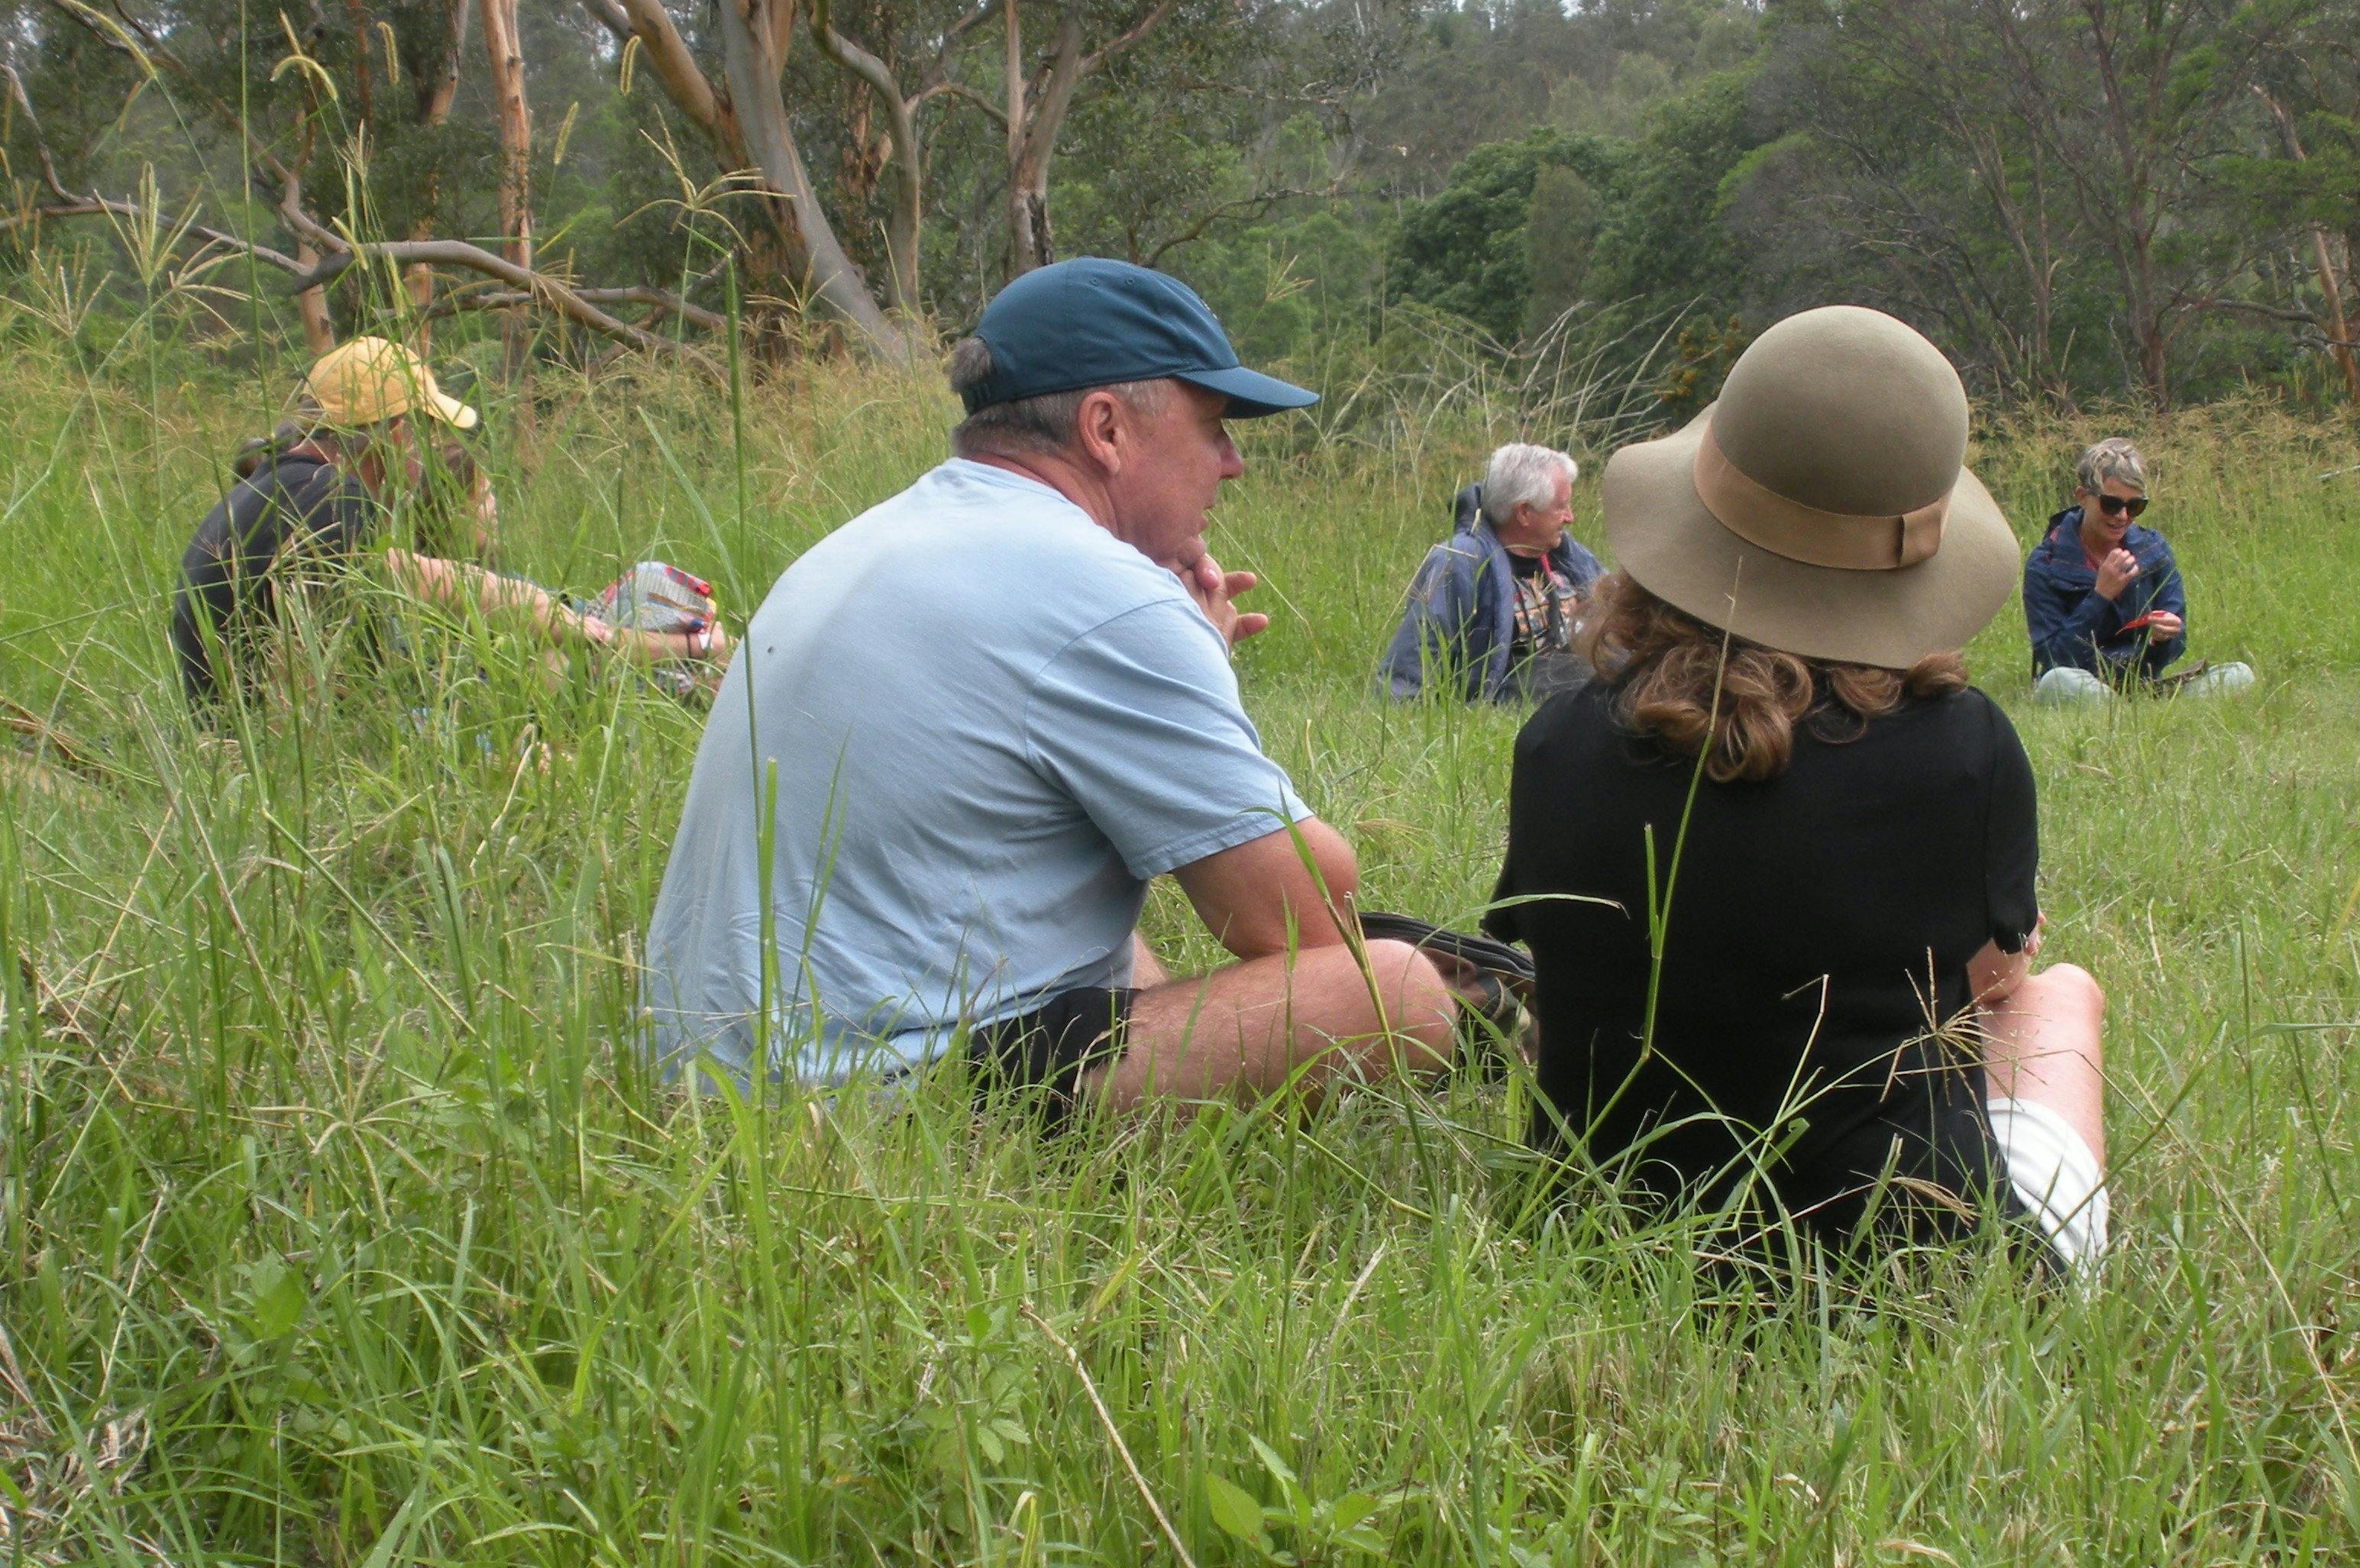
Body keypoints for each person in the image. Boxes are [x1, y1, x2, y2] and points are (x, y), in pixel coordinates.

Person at [642, 257, 1460, 1107]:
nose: (1232, 462)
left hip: (709, 1076)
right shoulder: (1103, 595)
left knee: (1092, 891)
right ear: (1106, 429)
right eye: (1214, 425)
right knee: (1396, 993)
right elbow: (1304, 919)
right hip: (862, 1102)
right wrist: (1202, 668)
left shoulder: (873, 539)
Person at [1486, 306, 2110, 1274]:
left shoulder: (1557, 740)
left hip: (1604, 1238)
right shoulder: (1961, 751)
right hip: (1909, 1261)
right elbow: (1991, 989)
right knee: (2061, 995)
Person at [171, 336, 726, 709]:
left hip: (265, 733)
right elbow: (461, 591)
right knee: (569, 663)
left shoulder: (279, 486)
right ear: (394, 435)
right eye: (429, 433)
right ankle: (707, 676)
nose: (435, 453)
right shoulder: (322, 496)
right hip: (281, 754)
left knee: (575, 650)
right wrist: (690, 647)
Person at [2022, 437, 2252, 702]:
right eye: (2111, 504)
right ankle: (2123, 710)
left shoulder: (2152, 550)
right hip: (2081, 683)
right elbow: (2054, 658)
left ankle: (2141, 708)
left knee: (2239, 674)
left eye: (2135, 506)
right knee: (2056, 682)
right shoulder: (2046, 564)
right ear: (2083, 498)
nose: (2122, 516)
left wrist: (2162, 640)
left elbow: (2174, 646)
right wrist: (2100, 598)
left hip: (2143, 682)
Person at [1379, 442, 1604, 702]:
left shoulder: (1567, 553)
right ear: (1524, 513)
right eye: (1561, 507)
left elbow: (1618, 616)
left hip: (1584, 689)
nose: (1570, 517)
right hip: (1521, 703)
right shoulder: (1460, 561)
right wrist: (1406, 702)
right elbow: (1413, 656)